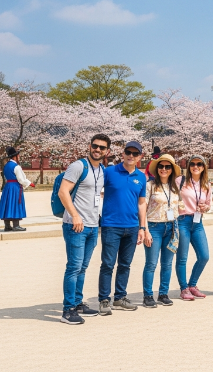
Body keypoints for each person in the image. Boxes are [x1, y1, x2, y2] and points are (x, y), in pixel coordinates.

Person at [58, 134, 110, 324]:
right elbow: (63, 191)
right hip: (75, 225)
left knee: (83, 267)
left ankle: (78, 303)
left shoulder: (103, 169)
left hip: (92, 225)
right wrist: (74, 215)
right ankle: (68, 309)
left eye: (102, 148)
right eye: (95, 146)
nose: (97, 150)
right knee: (73, 267)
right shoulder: (78, 166)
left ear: (107, 152)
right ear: (90, 146)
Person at [98, 141, 147, 315]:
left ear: (140, 157)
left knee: (125, 265)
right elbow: (95, 190)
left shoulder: (141, 177)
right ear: (123, 154)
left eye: (135, 154)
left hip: (132, 227)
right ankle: (104, 299)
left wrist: (142, 227)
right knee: (108, 264)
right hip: (111, 225)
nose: (131, 156)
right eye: (128, 152)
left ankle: (120, 297)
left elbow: (142, 203)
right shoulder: (109, 172)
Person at [142, 154, 184, 308]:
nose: (164, 169)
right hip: (154, 226)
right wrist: (145, 229)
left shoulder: (175, 187)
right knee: (151, 263)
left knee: (167, 263)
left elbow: (179, 206)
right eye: (161, 166)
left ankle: (163, 293)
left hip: (171, 227)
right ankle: (147, 295)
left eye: (167, 167)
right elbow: (143, 209)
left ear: (172, 169)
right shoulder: (150, 185)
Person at [175, 155, 212, 301]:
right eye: (192, 164)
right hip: (183, 220)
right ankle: (184, 288)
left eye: (199, 164)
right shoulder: (180, 181)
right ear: (189, 166)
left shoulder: (206, 185)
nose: (195, 167)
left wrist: (205, 207)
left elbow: (208, 204)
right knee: (182, 257)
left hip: (198, 222)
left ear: (203, 167)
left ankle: (192, 285)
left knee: (204, 256)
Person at [0, 147, 35, 232]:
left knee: (7, 205)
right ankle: (16, 226)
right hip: (15, 187)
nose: (19, 157)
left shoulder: (6, 166)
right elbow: (21, 179)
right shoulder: (16, 167)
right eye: (18, 155)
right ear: (15, 157)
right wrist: (29, 183)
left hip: (8, 186)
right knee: (15, 204)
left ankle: (7, 226)